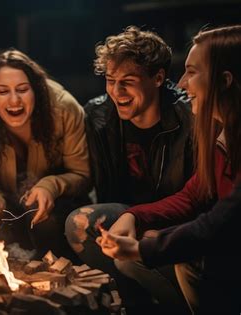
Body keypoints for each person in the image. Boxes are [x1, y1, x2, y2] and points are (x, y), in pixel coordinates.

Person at [98, 25, 241, 314]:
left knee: (191, 259)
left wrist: (145, 248)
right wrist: (133, 215)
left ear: (224, 80)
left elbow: (223, 222)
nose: (183, 84)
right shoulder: (226, 135)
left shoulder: (190, 121)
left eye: (192, 71)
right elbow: (194, 194)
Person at [64, 26, 193, 310]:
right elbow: (105, 189)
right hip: (127, 215)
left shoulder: (189, 118)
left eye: (128, 81)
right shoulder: (98, 116)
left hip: (177, 217)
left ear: (158, 78)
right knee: (80, 223)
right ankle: (133, 302)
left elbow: (197, 196)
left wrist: (153, 226)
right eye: (110, 80)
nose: (116, 91)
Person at [0, 49, 91, 258]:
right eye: (3, 91)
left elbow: (83, 176)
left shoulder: (64, 109)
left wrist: (51, 186)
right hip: (7, 209)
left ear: (35, 89)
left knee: (48, 222)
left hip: (58, 207)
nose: (14, 101)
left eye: (22, 89)